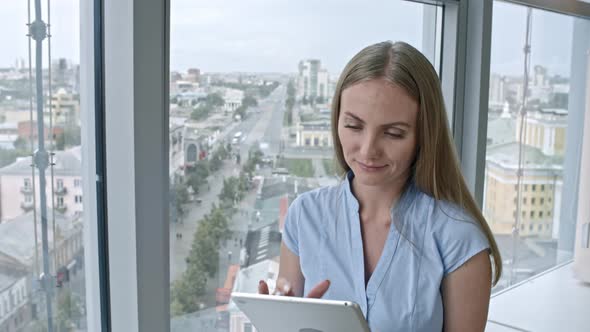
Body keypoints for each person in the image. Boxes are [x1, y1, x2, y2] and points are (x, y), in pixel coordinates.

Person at [258, 41, 502, 331]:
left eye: (393, 133)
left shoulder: (458, 239)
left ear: (424, 135)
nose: (368, 150)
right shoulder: (305, 216)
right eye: (354, 126)